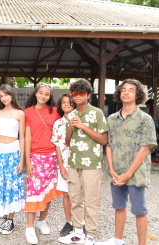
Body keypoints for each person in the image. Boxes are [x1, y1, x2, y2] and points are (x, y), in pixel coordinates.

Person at [97, 79, 157, 245]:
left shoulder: (145, 119)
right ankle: (118, 240)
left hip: (135, 173)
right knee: (119, 206)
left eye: (131, 90)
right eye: (123, 89)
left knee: (139, 210)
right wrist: (112, 170)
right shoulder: (112, 119)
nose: (126, 92)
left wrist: (128, 174)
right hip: (116, 172)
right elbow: (108, 145)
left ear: (137, 95)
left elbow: (145, 148)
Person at [58, 79, 108, 245]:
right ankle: (78, 232)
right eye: (74, 93)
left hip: (92, 163)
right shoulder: (71, 115)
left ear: (88, 95)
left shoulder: (97, 113)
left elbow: (103, 139)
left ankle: (91, 234)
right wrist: (71, 127)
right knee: (75, 198)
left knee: (92, 200)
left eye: (81, 93)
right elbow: (66, 141)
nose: (77, 96)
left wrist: (83, 126)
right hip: (73, 162)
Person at [24, 83, 61, 244]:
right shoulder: (28, 112)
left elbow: (60, 134)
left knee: (48, 192)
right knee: (33, 192)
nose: (43, 96)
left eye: (47, 94)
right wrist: (27, 161)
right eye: (41, 93)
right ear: (36, 94)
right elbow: (27, 138)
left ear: (50, 96)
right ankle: (30, 227)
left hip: (52, 157)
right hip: (35, 157)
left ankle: (41, 221)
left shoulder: (55, 112)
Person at [0, 84, 25, 235]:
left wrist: (21, 159)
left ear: (12, 95)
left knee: (11, 184)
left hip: (13, 150)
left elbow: (22, 137)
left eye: (6, 95)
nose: (4, 98)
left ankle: (10, 220)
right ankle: (4, 217)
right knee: (0, 184)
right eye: (1, 96)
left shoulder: (20, 113)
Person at [52, 93, 76, 238]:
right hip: (64, 163)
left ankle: (81, 224)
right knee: (66, 194)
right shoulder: (58, 123)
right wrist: (60, 166)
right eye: (64, 102)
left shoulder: (79, 120)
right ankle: (69, 223)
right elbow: (57, 146)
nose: (66, 104)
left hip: (78, 162)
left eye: (69, 102)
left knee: (80, 196)